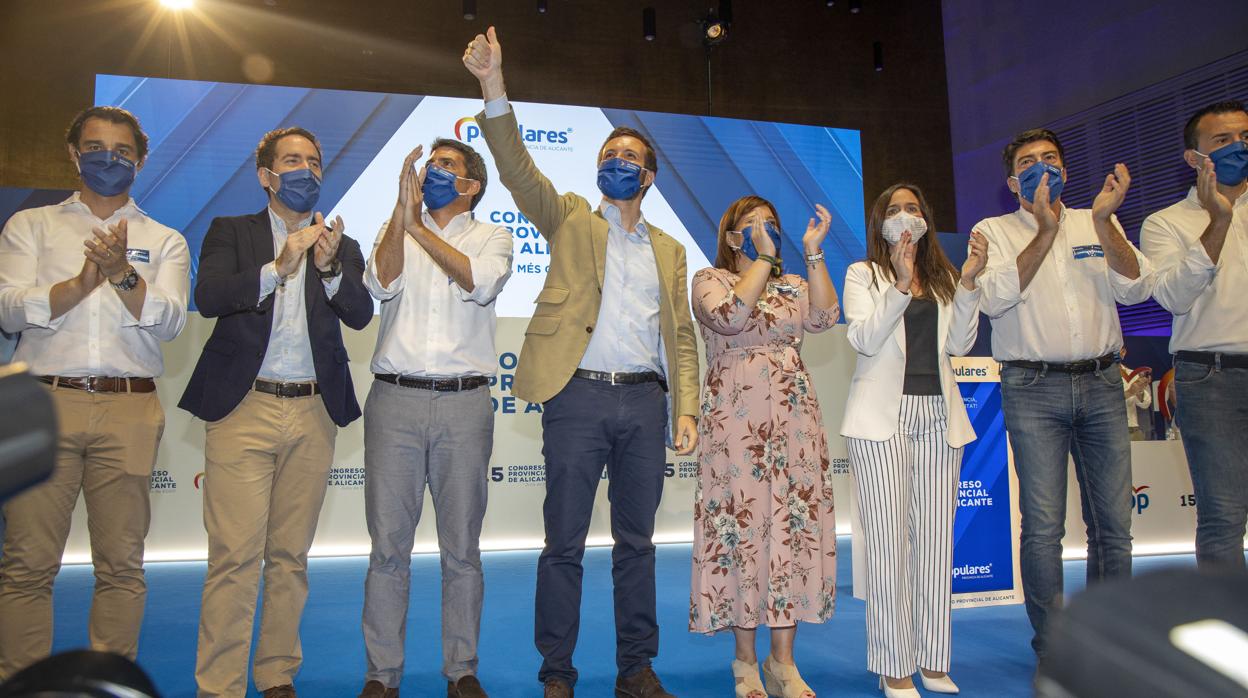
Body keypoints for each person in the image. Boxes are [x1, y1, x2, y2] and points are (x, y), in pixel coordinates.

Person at [464, 27, 700, 698]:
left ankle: (637, 669)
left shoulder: (670, 250)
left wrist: (685, 407)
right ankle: (557, 673)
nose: (617, 160)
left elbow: (680, 335)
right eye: (609, 153)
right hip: (578, 400)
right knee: (562, 544)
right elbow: (515, 167)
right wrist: (493, 86)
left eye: (629, 156)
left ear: (648, 177)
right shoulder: (569, 218)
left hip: (645, 401)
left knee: (639, 545)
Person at [178, 126, 372, 698]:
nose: (306, 171)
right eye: (292, 161)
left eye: (314, 161)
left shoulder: (341, 243)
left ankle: (276, 675)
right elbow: (209, 297)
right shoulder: (230, 232)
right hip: (244, 407)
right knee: (235, 557)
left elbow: (359, 314)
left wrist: (331, 268)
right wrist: (279, 265)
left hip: (313, 411)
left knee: (290, 558)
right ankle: (220, 686)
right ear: (265, 175)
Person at [0, 106, 190, 679]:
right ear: (73, 154)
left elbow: (171, 321)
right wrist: (80, 283)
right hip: (41, 403)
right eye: (96, 147)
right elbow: (8, 309)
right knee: (28, 565)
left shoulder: (165, 239)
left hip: (129, 405)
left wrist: (121, 275)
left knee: (121, 565)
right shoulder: (30, 226)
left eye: (122, 150)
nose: (110, 158)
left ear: (141, 159)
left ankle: (108, 685)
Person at [974, 128, 1153, 659]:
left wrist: (1103, 222)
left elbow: (1136, 286)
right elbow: (995, 299)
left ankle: (1108, 639)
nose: (1042, 168)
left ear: (1066, 170)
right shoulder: (995, 230)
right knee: (1044, 526)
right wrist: (1045, 230)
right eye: (1029, 163)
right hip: (1032, 387)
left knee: (1113, 525)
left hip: (1101, 382)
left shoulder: (1097, 219)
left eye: (1050, 159)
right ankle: (1054, 648)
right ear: (1013, 182)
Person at [357, 139, 512, 698]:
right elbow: (380, 283)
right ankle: (381, 675)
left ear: (471, 186)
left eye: (447, 166)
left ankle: (461, 671)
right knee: (388, 549)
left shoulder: (493, 236)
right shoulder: (394, 226)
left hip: (463, 404)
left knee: (462, 550)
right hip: (394, 401)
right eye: (430, 165)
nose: (433, 172)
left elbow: (481, 283)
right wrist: (405, 219)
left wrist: (421, 228)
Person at [689, 196, 840, 698]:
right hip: (735, 426)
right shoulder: (709, 280)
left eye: (769, 226)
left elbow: (823, 318)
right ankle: (745, 663)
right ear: (730, 233)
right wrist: (761, 259)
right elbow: (731, 318)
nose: (761, 233)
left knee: (790, 532)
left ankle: (784, 664)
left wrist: (813, 252)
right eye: (750, 227)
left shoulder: (792, 285)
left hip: (793, 423)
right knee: (742, 532)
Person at [841, 184, 985, 697]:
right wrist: (899, 284)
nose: (905, 217)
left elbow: (959, 345)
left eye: (914, 209)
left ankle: (933, 658)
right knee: (887, 546)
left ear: (926, 220)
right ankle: (893, 663)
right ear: (880, 221)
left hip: (939, 416)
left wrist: (967, 285)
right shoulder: (864, 274)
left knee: (934, 544)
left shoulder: (944, 278)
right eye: (895, 209)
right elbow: (863, 339)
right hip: (882, 419)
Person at [1141, 100, 1248, 570]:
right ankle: (1229, 634)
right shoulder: (1166, 223)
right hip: (1211, 378)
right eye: (1222, 141)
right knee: (1224, 514)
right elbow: (1173, 297)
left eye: (1244, 137)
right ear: (1194, 157)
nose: (1238, 147)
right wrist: (1219, 221)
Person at [1118, 348, 1152, 442]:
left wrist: (1139, 391)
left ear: (1123, 352)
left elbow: (1145, 404)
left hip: (1132, 429)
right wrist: (1129, 392)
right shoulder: (1096, 376)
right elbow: (1104, 402)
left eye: (1118, 349)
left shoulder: (1132, 374)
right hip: (1109, 430)